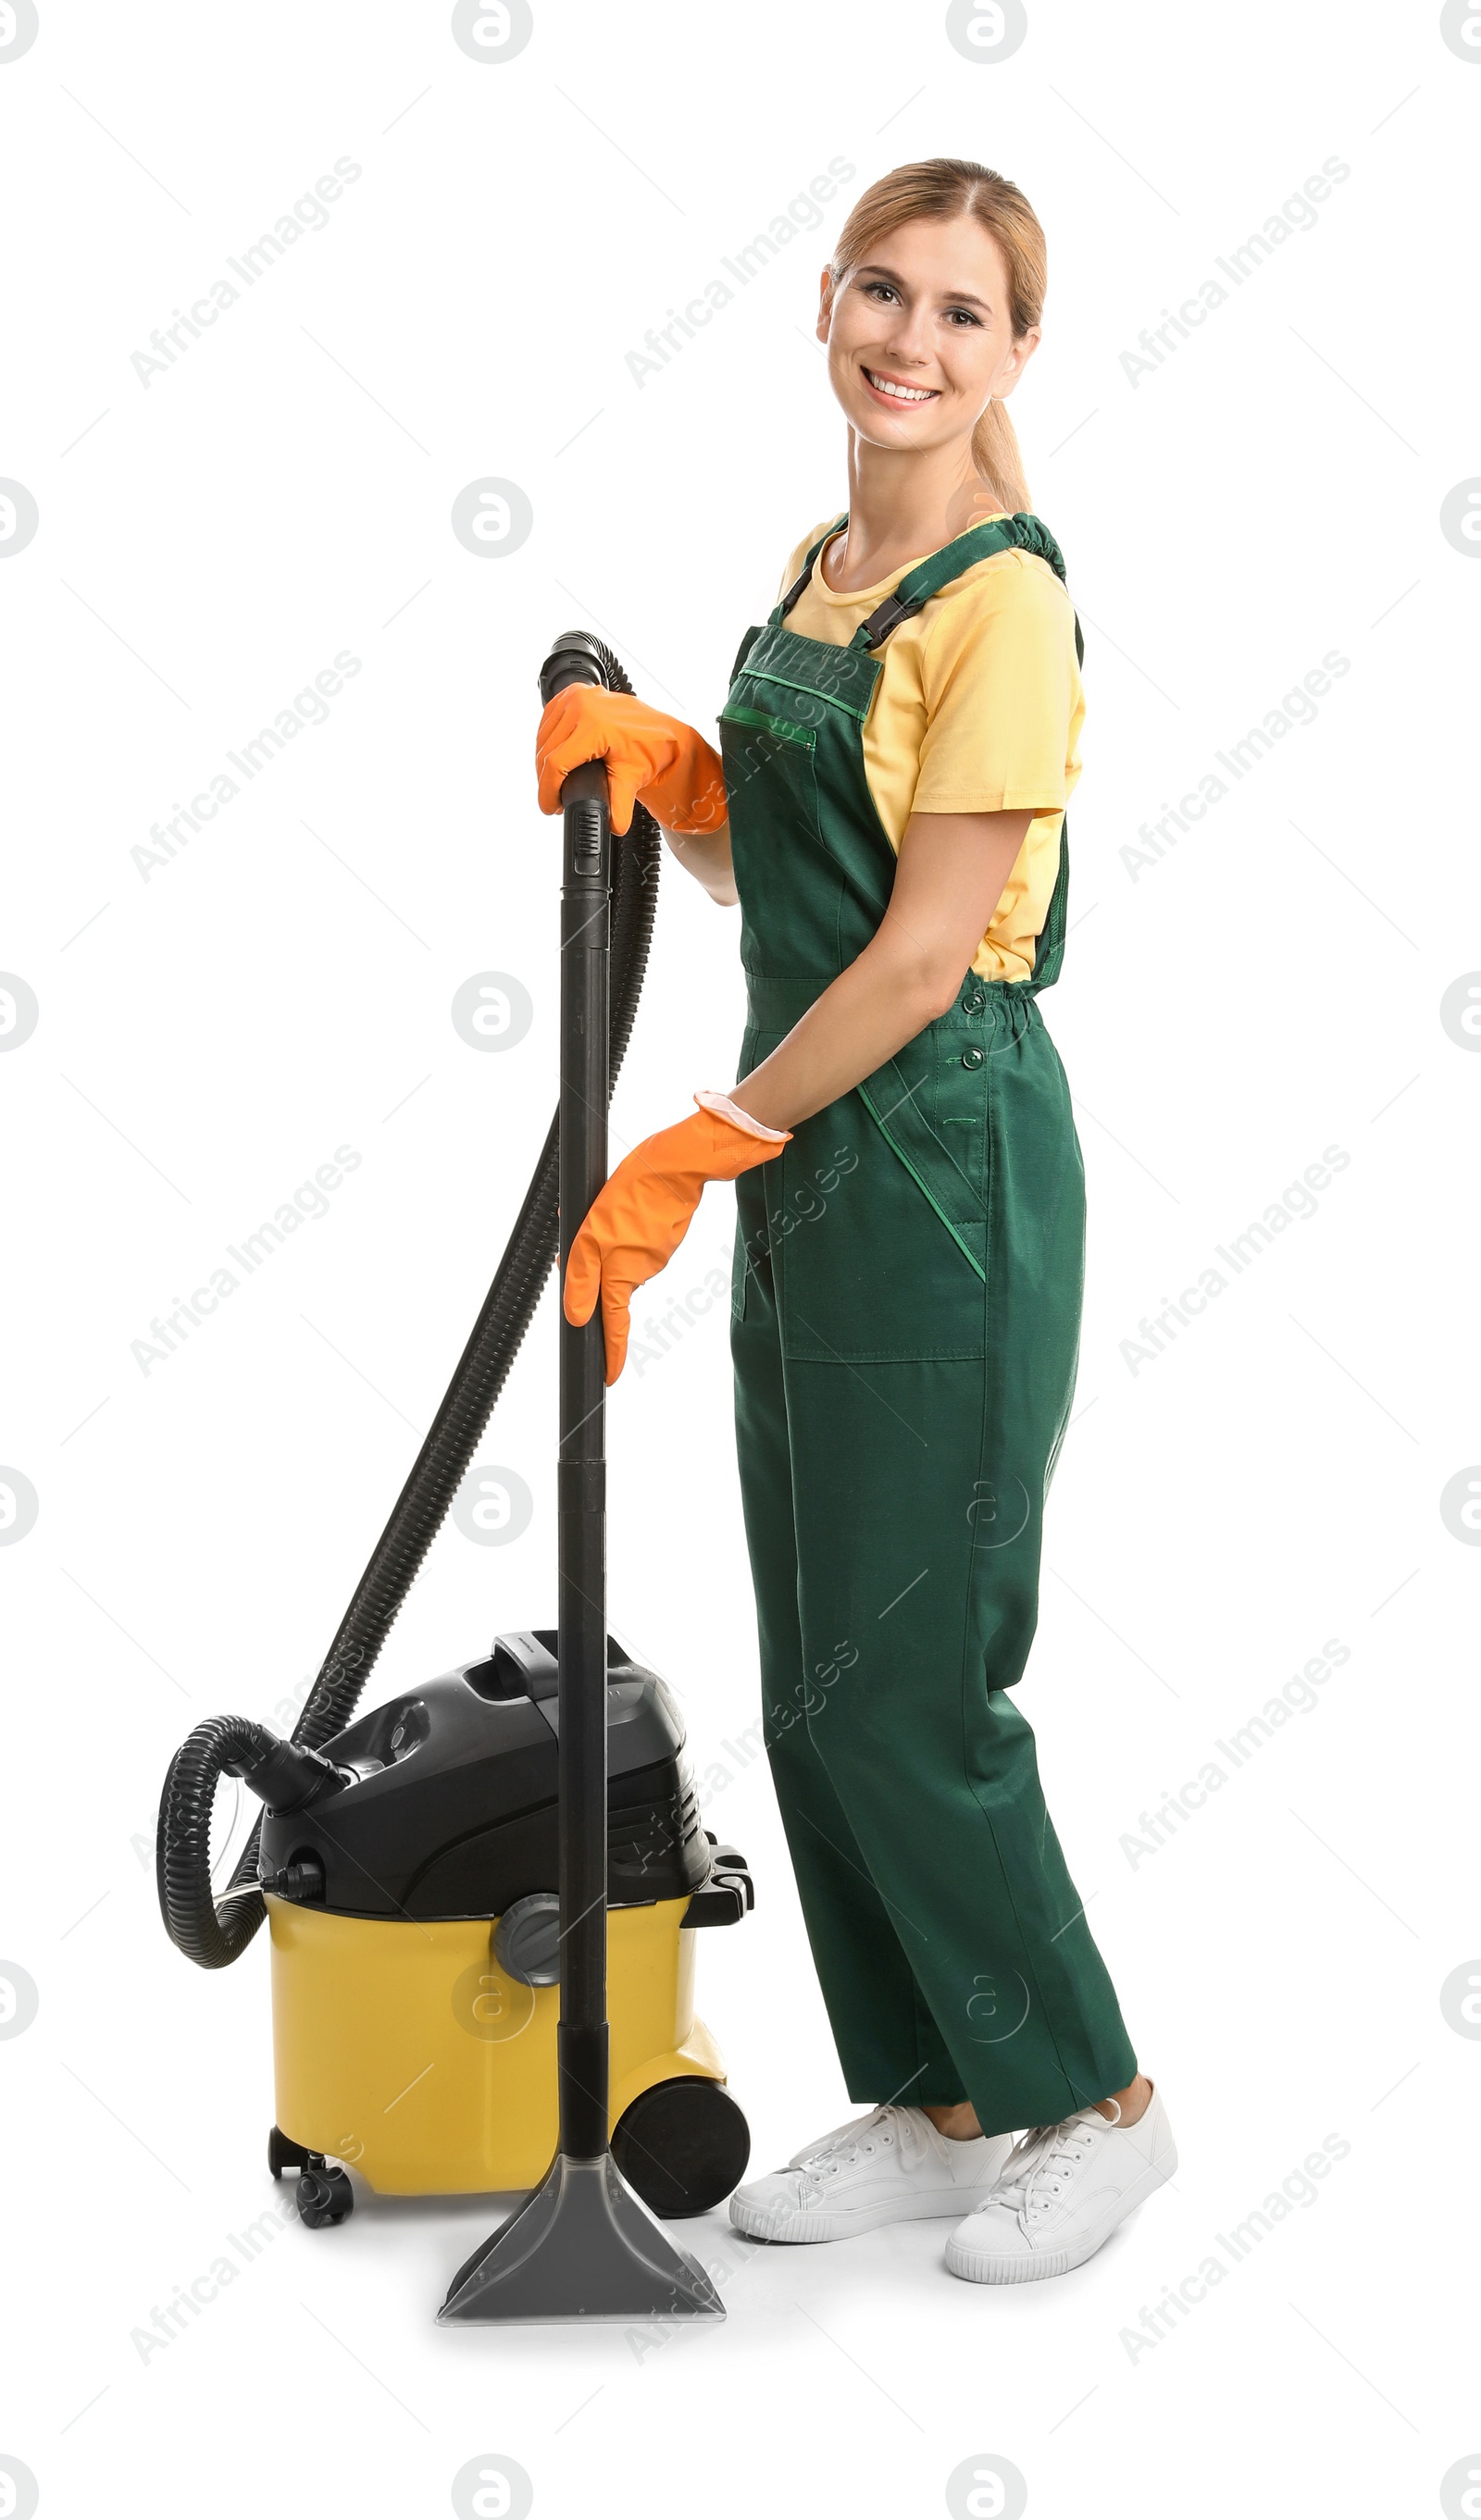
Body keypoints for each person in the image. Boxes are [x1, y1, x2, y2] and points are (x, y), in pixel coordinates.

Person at [535, 156, 1176, 2286]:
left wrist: (687, 1144)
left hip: (940, 1161)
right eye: (880, 293)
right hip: (815, 1159)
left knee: (916, 1686)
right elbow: (788, 882)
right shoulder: (823, 567)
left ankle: (1092, 2099)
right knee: (817, 1683)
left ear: (1013, 352)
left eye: (961, 315)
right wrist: (681, 782)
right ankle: (936, 2093)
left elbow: (912, 958)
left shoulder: (1002, 597)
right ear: (821, 300)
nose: (910, 341)